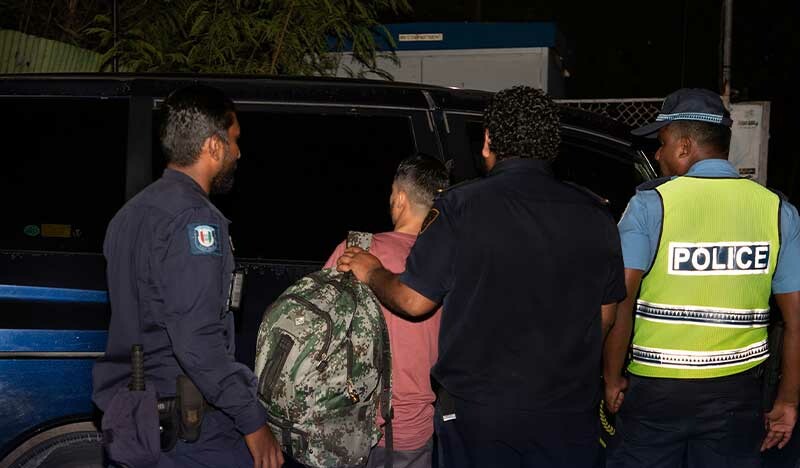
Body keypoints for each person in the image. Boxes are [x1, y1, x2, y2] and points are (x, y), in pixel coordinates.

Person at [337, 85, 625, 468]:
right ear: (551, 148)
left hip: (480, 416)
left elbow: (413, 301)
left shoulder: (459, 206)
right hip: (567, 413)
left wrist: (372, 270)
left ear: (488, 142)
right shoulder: (596, 216)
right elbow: (606, 317)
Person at [603, 88, 800, 468]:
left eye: (661, 143)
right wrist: (788, 400)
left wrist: (611, 378)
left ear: (684, 147)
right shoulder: (777, 210)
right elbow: (796, 319)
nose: (656, 155)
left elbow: (619, 300)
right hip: (737, 394)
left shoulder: (650, 205)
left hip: (656, 394)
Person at [92, 85, 284, 468]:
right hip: (190, 431)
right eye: (234, 140)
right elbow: (197, 340)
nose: (238, 152)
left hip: (138, 423)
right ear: (213, 146)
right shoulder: (196, 221)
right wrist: (251, 420)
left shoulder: (128, 215)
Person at [321, 153, 449, 468]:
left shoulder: (355, 251)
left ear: (400, 198)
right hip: (410, 432)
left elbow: (317, 329)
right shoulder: (449, 264)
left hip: (346, 425)